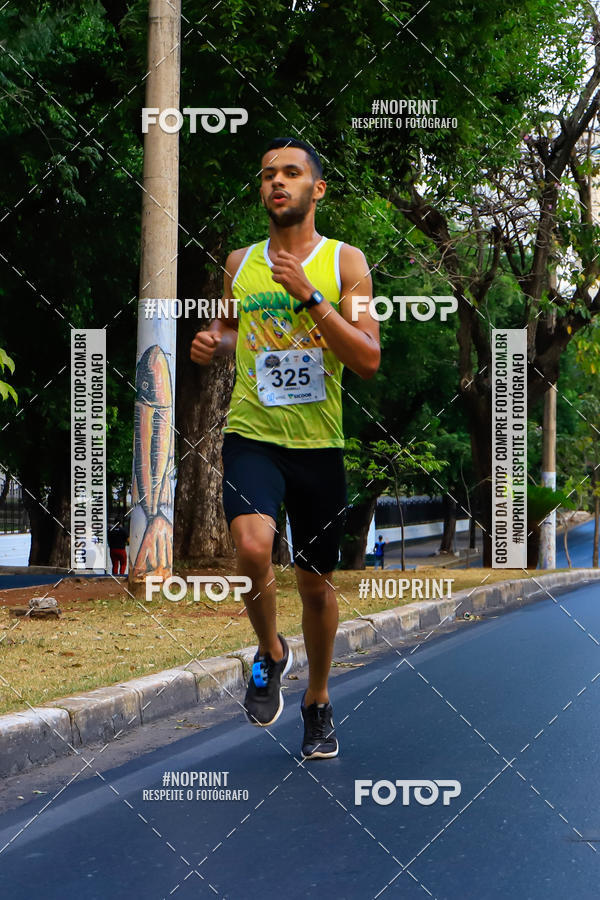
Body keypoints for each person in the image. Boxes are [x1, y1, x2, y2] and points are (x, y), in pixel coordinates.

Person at [190, 137, 380, 760]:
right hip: (253, 435)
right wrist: (211, 343)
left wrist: (311, 298)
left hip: (319, 445)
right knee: (252, 544)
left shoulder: (345, 263)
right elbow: (231, 331)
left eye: (291, 173)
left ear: (316, 189)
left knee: (317, 586)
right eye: (268, 173)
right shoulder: (240, 261)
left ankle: (318, 699)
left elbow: (368, 358)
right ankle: (270, 651)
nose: (277, 181)